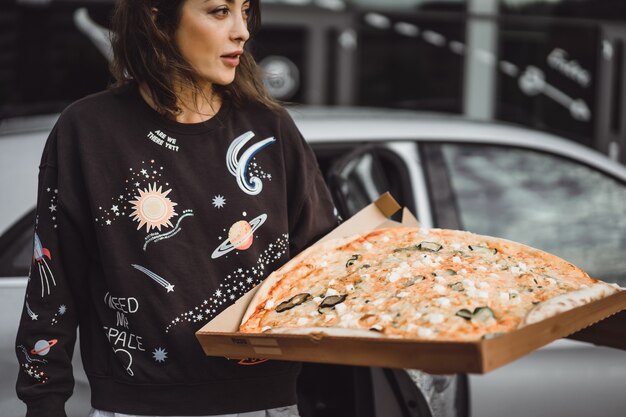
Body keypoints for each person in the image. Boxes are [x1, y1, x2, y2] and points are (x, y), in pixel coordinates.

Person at [15, 1, 340, 416]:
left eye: (245, 11)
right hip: (135, 406)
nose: (242, 31)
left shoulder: (271, 129)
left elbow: (325, 263)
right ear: (158, 19)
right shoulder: (89, 131)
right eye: (220, 11)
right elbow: (52, 279)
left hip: (265, 403)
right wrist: (43, 401)